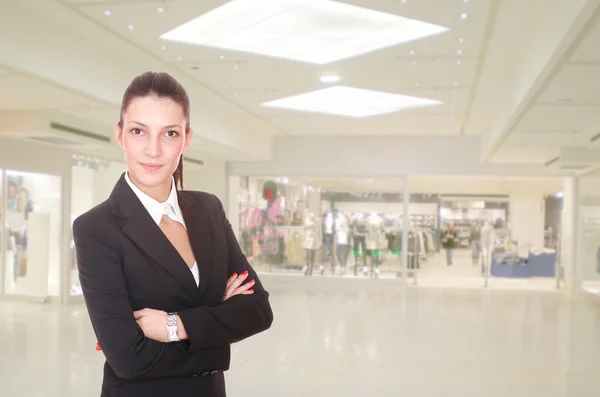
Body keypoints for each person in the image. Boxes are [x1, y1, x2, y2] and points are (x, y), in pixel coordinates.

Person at [72, 71, 274, 397]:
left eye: (169, 133)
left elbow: (259, 311)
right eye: (139, 131)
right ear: (120, 134)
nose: (153, 150)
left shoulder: (207, 210)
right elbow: (128, 359)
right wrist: (217, 339)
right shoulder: (96, 229)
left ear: (186, 139)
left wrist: (174, 326)